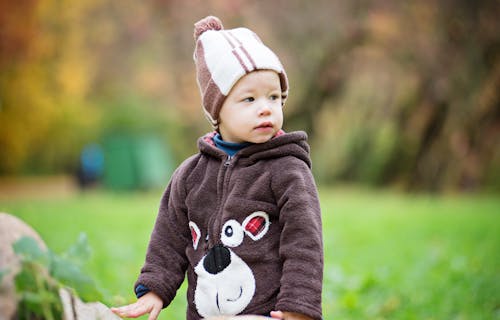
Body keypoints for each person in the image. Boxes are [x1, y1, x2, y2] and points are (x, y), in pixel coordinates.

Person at [111, 16, 323, 320]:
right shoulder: (191, 174)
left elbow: (304, 241)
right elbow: (169, 238)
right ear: (217, 110)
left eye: (274, 97)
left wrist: (297, 306)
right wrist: (155, 289)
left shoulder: (287, 170)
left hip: (266, 313)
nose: (266, 107)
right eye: (249, 98)